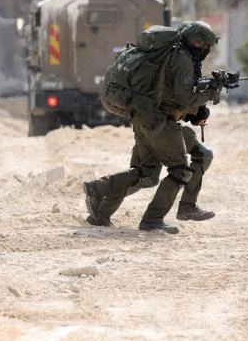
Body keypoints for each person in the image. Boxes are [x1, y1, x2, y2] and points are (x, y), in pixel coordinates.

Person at [83, 20, 221, 234]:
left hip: (144, 115)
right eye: (206, 46)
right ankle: (153, 219)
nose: (206, 51)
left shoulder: (171, 54)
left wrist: (200, 104)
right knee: (180, 171)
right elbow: (184, 95)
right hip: (159, 122)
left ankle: (100, 207)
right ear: (199, 42)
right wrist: (211, 93)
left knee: (144, 174)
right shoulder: (182, 58)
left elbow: (172, 91)